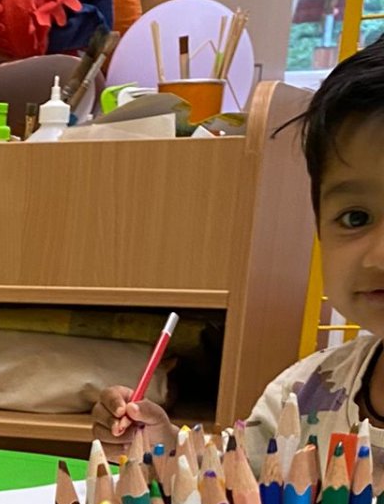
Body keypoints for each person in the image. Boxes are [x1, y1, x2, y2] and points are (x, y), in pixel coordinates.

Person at [92, 35, 384, 459]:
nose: (379, 256)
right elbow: (232, 482)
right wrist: (164, 451)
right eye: (356, 218)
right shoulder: (305, 393)